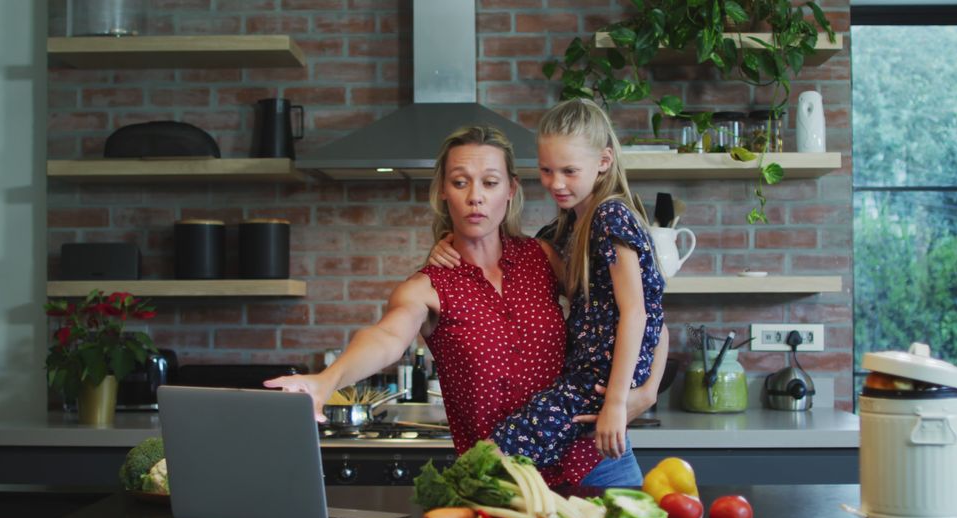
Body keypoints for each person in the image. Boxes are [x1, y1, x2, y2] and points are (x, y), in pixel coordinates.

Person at [265, 125, 666, 487]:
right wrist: (327, 380)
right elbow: (386, 337)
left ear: (510, 189)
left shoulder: (545, 255)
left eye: (490, 183)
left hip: (597, 464)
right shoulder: (427, 288)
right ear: (443, 189)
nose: (475, 197)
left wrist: (646, 392)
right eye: (460, 182)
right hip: (500, 483)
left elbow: (641, 315)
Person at [429, 99, 665, 470]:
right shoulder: (566, 229)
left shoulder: (610, 215)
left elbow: (641, 311)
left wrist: (622, 400)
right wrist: (451, 241)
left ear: (603, 162)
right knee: (516, 446)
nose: (556, 183)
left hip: (600, 379)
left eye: (569, 171)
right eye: (546, 170)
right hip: (588, 376)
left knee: (498, 452)